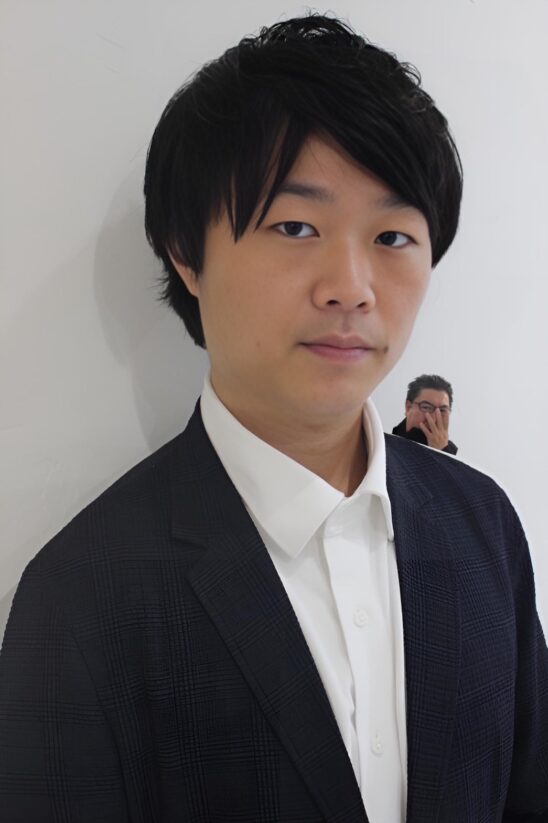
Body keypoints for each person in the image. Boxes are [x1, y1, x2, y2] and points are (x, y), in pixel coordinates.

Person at [1, 12, 547, 823]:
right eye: (296, 226)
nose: (352, 287)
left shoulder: (484, 525)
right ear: (186, 251)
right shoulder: (82, 599)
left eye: (394, 235)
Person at [392, 373, 458, 454]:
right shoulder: (383, 446)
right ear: (408, 407)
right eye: (426, 407)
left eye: (442, 410)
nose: (433, 419)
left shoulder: (455, 457)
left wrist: (442, 451)